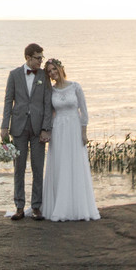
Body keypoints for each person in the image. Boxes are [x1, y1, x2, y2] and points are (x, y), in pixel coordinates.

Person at [41, 58, 100, 221]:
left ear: (61, 68)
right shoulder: (51, 91)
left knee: (75, 163)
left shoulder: (75, 87)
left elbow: (84, 111)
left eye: (54, 69)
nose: (53, 73)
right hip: (58, 129)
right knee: (60, 164)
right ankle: (59, 205)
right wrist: (46, 131)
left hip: (74, 128)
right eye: (49, 71)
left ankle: (77, 206)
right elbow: (49, 112)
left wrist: (83, 132)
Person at [0, 43, 53, 221]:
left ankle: (36, 207)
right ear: (28, 58)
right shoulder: (14, 75)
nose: (40, 62)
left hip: (38, 129)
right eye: (38, 58)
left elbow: (47, 104)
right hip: (18, 127)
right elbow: (8, 101)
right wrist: (4, 126)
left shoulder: (44, 76)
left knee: (38, 168)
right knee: (19, 168)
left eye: (41, 58)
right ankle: (19, 207)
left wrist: (46, 128)